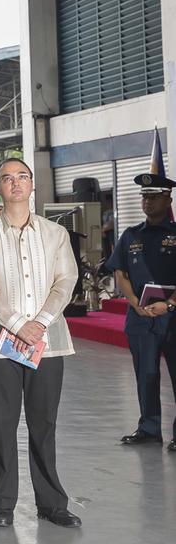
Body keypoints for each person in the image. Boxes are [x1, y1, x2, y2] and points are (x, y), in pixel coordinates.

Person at [0, 157, 82, 528]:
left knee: (43, 424)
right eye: (7, 178)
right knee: (3, 423)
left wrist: (41, 322)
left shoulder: (55, 234)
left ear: (32, 184)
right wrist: (19, 324)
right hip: (0, 343)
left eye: (22, 177)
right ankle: (3, 503)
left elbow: (66, 280)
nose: (15, 183)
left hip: (48, 342)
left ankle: (51, 502)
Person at [106, 173, 176, 451]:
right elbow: (120, 271)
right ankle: (149, 428)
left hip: (172, 316)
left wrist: (169, 304)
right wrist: (134, 301)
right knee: (146, 374)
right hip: (141, 317)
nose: (147, 201)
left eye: (154, 196)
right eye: (144, 196)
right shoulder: (130, 235)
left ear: (167, 199)